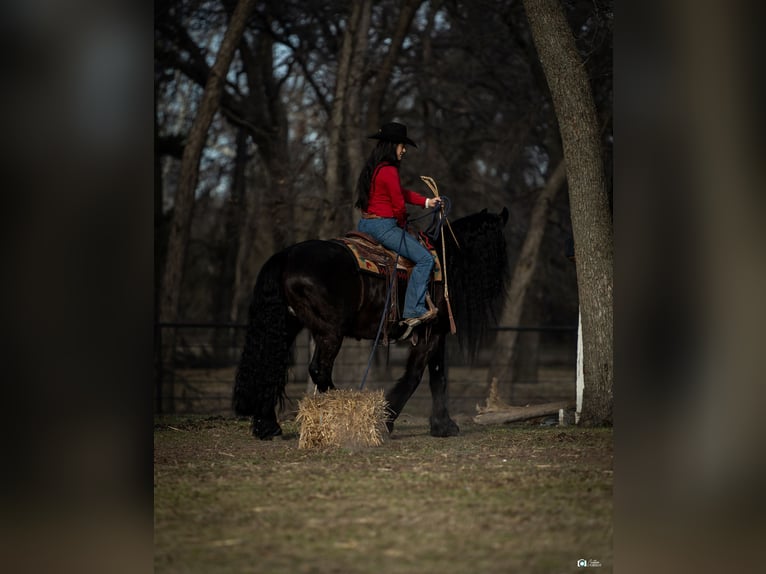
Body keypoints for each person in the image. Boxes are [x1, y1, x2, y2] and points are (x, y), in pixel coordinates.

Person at [354, 121, 442, 330]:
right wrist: (402, 222)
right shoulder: (390, 170)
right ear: (393, 145)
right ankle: (413, 309)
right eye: (402, 146)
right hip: (384, 227)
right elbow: (399, 206)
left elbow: (398, 192)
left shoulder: (376, 168)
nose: (404, 150)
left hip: (365, 224)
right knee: (425, 259)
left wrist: (426, 202)